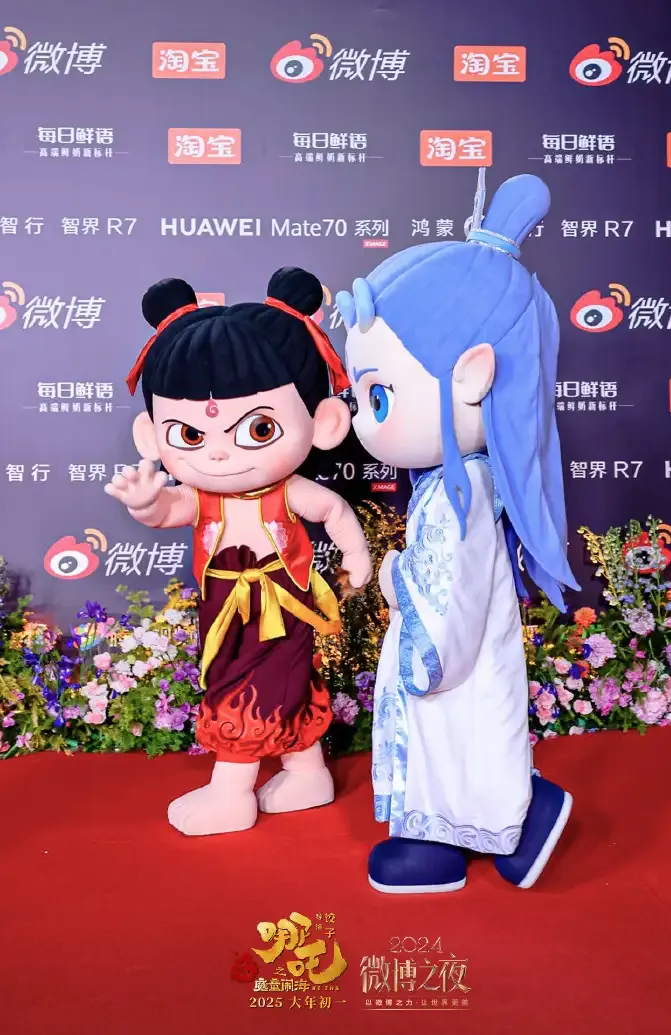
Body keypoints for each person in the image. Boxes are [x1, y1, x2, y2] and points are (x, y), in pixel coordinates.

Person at [335, 170, 580, 894]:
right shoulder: (460, 483)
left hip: (454, 657)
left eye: (378, 397)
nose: (363, 420)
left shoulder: (458, 493)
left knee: (454, 734)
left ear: (472, 377)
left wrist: (396, 583)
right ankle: (510, 814)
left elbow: (450, 602)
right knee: (473, 735)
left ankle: (464, 832)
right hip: (473, 655)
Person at [105, 267, 372, 836]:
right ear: (152, 435)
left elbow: (333, 511)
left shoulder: (288, 491)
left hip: (282, 610)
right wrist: (145, 503)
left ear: (323, 423)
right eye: (191, 436)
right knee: (280, 688)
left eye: (256, 430)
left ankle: (232, 793)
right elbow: (166, 512)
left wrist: (357, 558)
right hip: (226, 615)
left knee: (251, 692)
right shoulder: (202, 498)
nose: (219, 454)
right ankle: (307, 775)